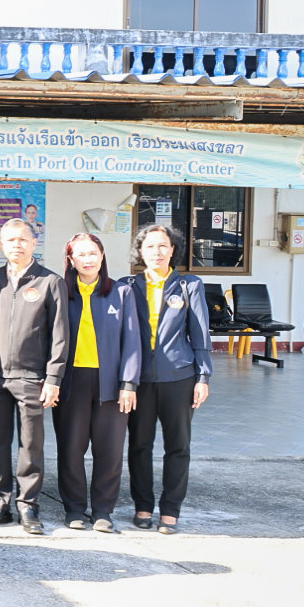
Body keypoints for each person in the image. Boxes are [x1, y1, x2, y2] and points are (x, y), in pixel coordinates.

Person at [0, 218, 68, 535]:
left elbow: (60, 335)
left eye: (22, 239)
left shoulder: (50, 282)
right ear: (1, 244)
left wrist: (53, 377)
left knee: (31, 445)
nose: (16, 244)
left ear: (33, 242)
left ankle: (28, 505)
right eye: (10, 240)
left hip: (32, 378)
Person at [120, 225, 212, 535]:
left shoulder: (189, 285)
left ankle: (171, 510)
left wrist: (203, 376)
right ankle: (143, 506)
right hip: (140, 380)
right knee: (139, 445)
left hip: (179, 378)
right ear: (140, 251)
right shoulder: (127, 286)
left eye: (163, 246)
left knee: (178, 446)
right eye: (150, 246)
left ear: (173, 250)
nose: (157, 252)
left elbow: (200, 334)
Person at [54, 233, 141, 533]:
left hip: (111, 382)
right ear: (71, 259)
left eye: (93, 253)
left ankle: (103, 509)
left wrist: (128, 383)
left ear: (102, 256)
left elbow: (132, 341)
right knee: (71, 448)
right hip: (71, 380)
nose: (88, 259)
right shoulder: (60, 291)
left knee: (110, 450)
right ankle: (74, 508)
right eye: (81, 254)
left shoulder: (122, 293)